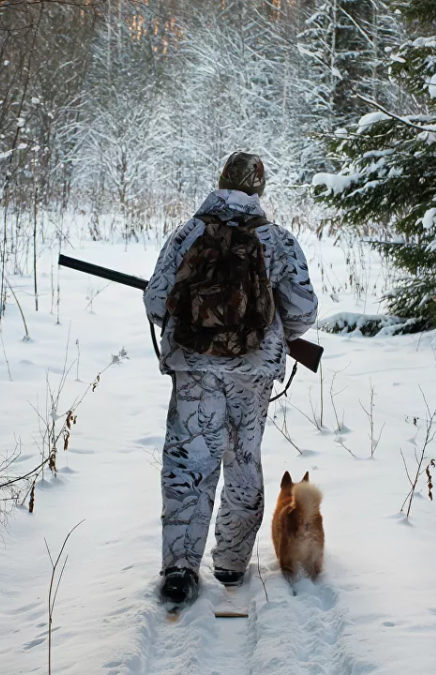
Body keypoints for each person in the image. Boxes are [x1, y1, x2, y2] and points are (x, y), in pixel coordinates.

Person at [143, 152, 319, 605]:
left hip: (194, 370)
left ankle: (180, 569)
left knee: (188, 464)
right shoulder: (277, 240)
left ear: (220, 181)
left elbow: (156, 300)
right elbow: (303, 309)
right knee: (242, 460)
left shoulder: (187, 234)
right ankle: (232, 564)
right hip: (252, 372)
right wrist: (270, 335)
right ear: (259, 190)